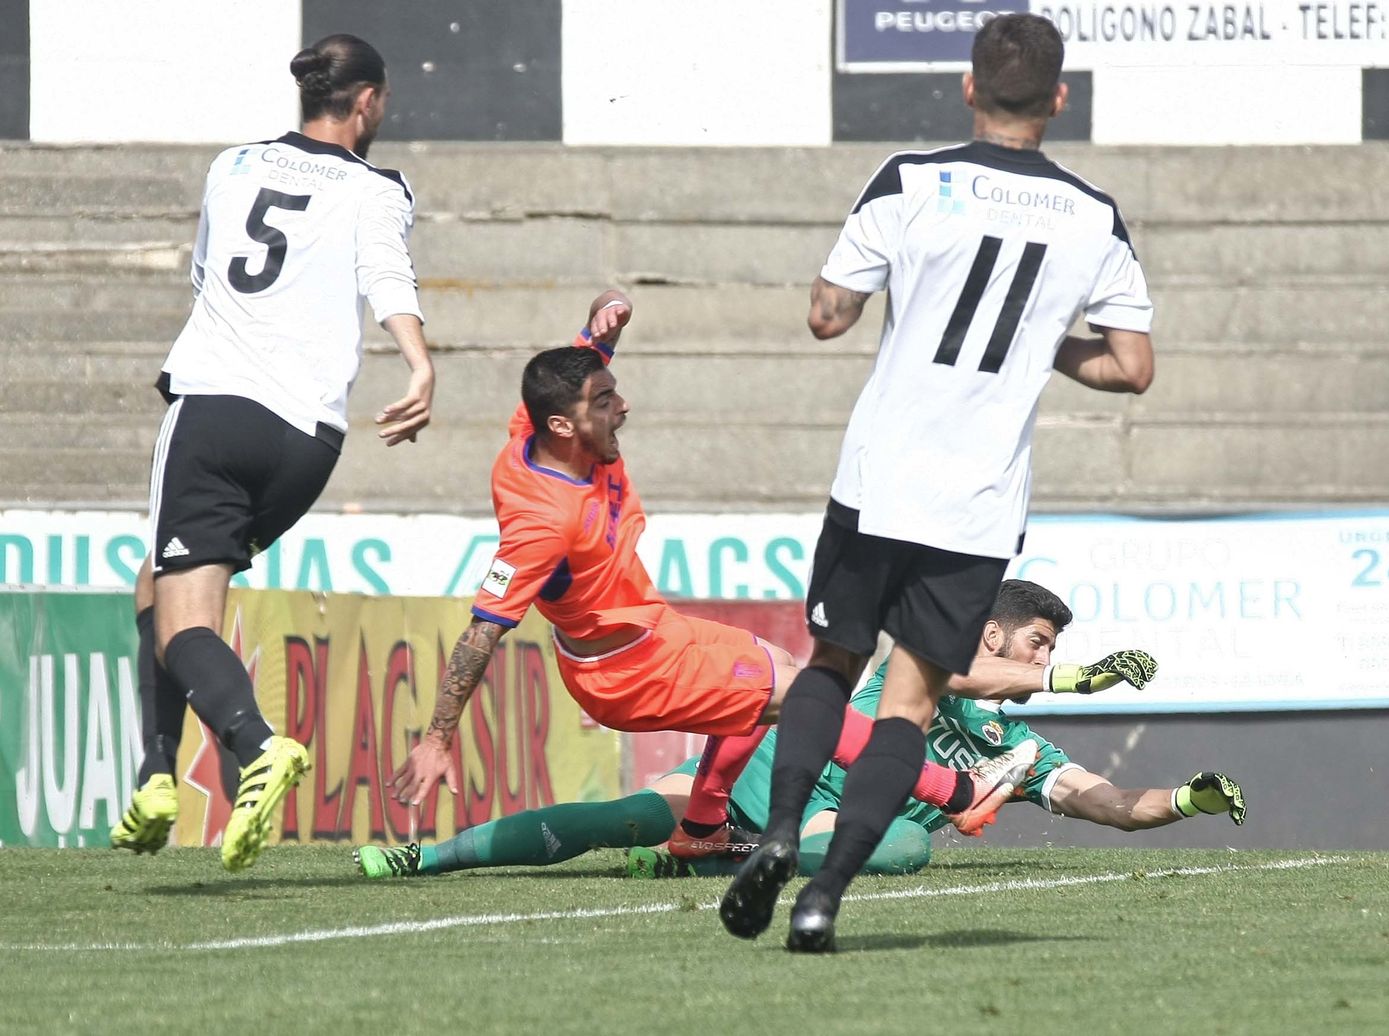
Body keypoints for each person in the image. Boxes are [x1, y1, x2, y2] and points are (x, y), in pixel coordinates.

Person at [722, 12, 1157, 952]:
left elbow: (829, 316)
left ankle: (782, 832)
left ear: (968, 88)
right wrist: (1043, 343)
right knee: (911, 705)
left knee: (832, 666)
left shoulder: (910, 179)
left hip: (879, 479)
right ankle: (825, 894)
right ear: (1059, 99)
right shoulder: (1093, 216)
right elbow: (1131, 367)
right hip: (977, 507)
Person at [388, 298, 1045, 859]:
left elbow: (572, 372)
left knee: (776, 664)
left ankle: (702, 827)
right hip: (625, 671)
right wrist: (438, 739)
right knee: (801, 695)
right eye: (606, 402)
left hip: (657, 632)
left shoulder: (541, 428)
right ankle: (955, 791)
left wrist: (600, 328)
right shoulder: (542, 523)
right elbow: (481, 634)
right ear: (563, 425)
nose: (623, 406)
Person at [109, 34, 436, 872]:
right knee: (162, 583)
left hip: (218, 409)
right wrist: (419, 363)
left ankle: (254, 746)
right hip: (307, 442)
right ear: (366, 101)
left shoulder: (233, 166)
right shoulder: (379, 188)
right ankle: (157, 776)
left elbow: (206, 277)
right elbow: (386, 276)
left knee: (182, 618)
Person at [352, 580, 1241, 881]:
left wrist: (1186, 800)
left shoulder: (1025, 752)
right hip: (769, 774)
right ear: (995, 634)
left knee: (903, 847)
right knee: (614, 817)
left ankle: (725, 858)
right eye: (1039, 643)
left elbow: (1107, 802)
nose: (1046, 659)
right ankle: (424, 858)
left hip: (824, 821)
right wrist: (1073, 677)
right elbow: (963, 673)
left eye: (1054, 652)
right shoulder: (928, 662)